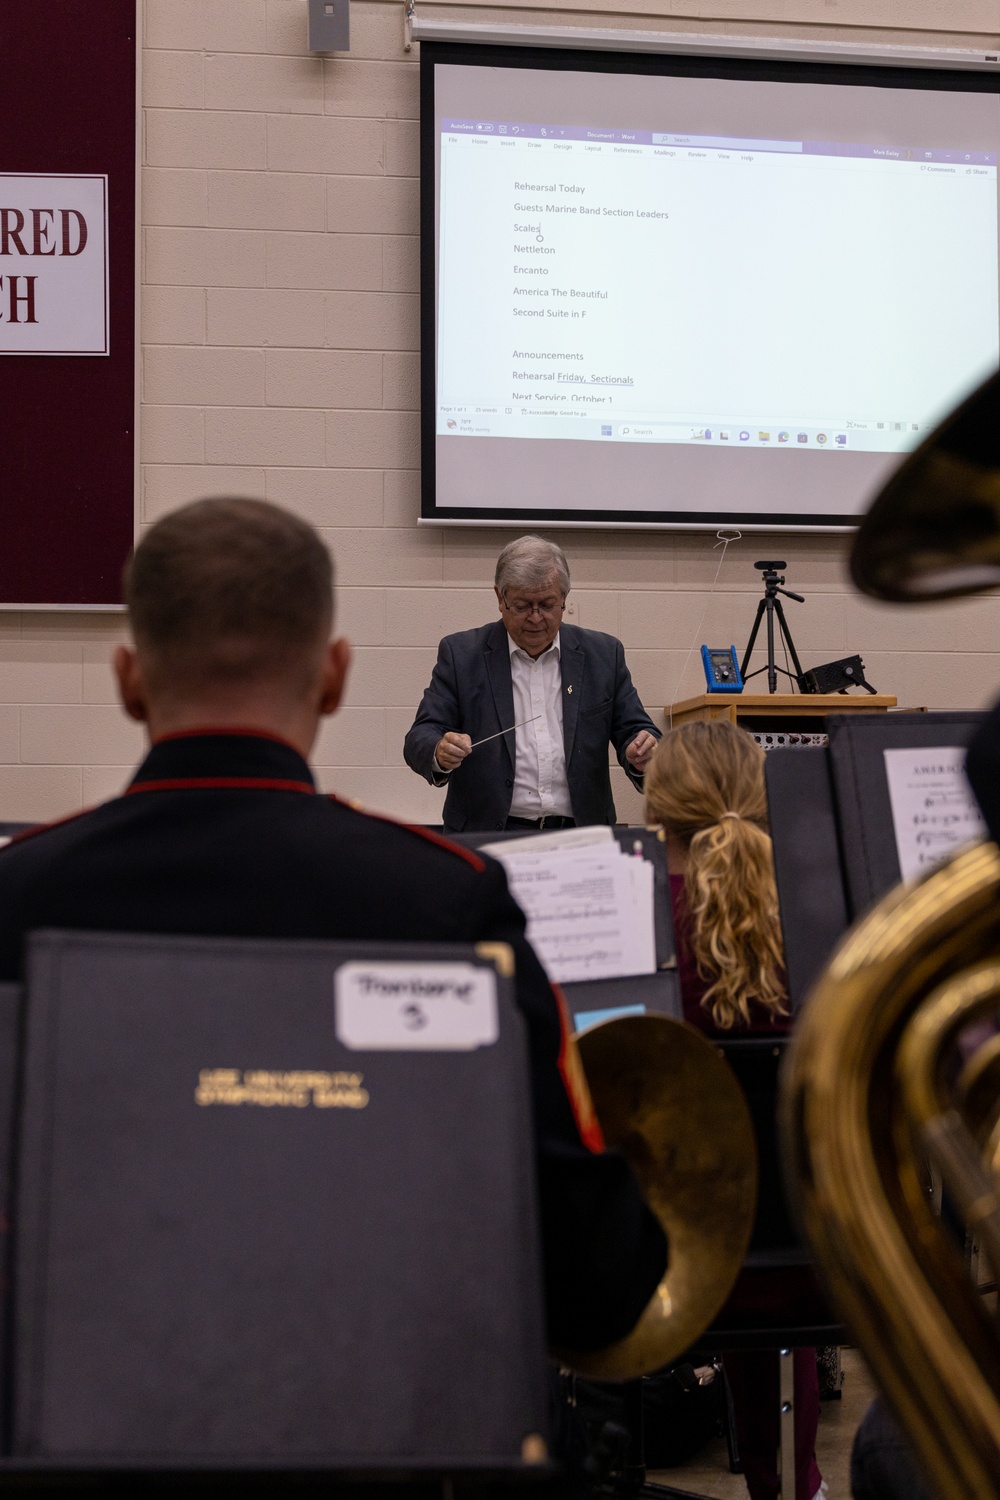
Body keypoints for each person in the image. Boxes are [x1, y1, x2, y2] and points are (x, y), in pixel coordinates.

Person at [0, 497, 666, 1355]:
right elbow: (596, 1279)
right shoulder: (451, 902)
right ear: (335, 676)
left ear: (128, 678)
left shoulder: (18, 893)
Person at [644, 719, 824, 1500]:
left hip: (664, 1270)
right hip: (808, 1273)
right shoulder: (821, 922)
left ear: (659, 811)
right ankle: (795, 1481)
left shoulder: (635, 919)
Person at [404, 535, 659, 833]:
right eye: (523, 605)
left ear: (564, 598)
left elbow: (638, 732)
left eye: (548, 605)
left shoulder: (603, 654)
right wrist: (439, 750)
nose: (536, 618)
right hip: (488, 835)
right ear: (500, 599)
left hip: (579, 835)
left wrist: (643, 752)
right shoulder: (462, 655)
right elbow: (420, 736)